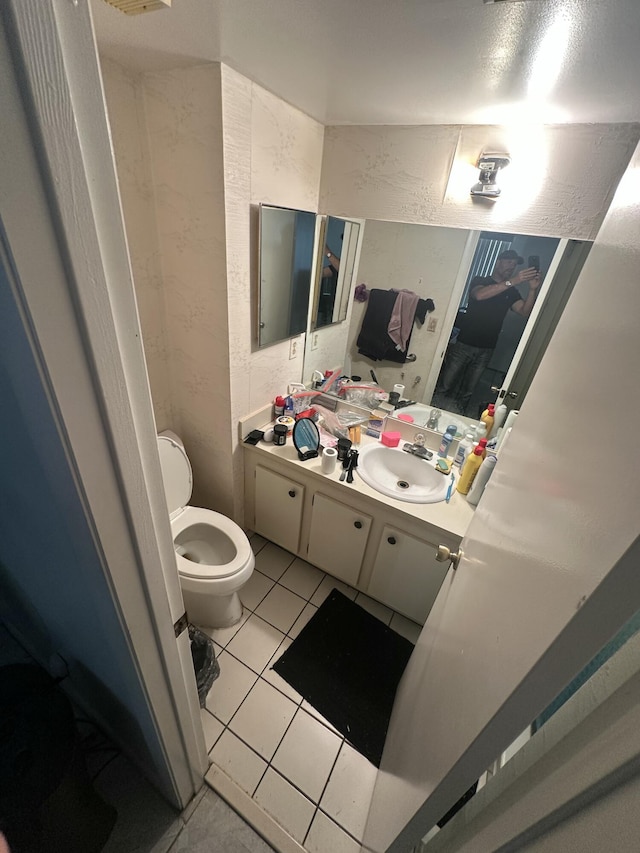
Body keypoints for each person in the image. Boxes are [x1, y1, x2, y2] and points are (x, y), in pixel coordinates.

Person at [433, 249, 541, 414]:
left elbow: (525, 312)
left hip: (487, 349)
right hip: (464, 344)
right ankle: (431, 413)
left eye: (514, 264)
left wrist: (532, 289)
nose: (511, 267)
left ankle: (457, 419)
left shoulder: (511, 292)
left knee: (467, 392)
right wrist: (514, 280)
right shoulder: (481, 280)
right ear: (498, 262)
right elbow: (480, 296)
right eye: (508, 262)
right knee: (445, 386)